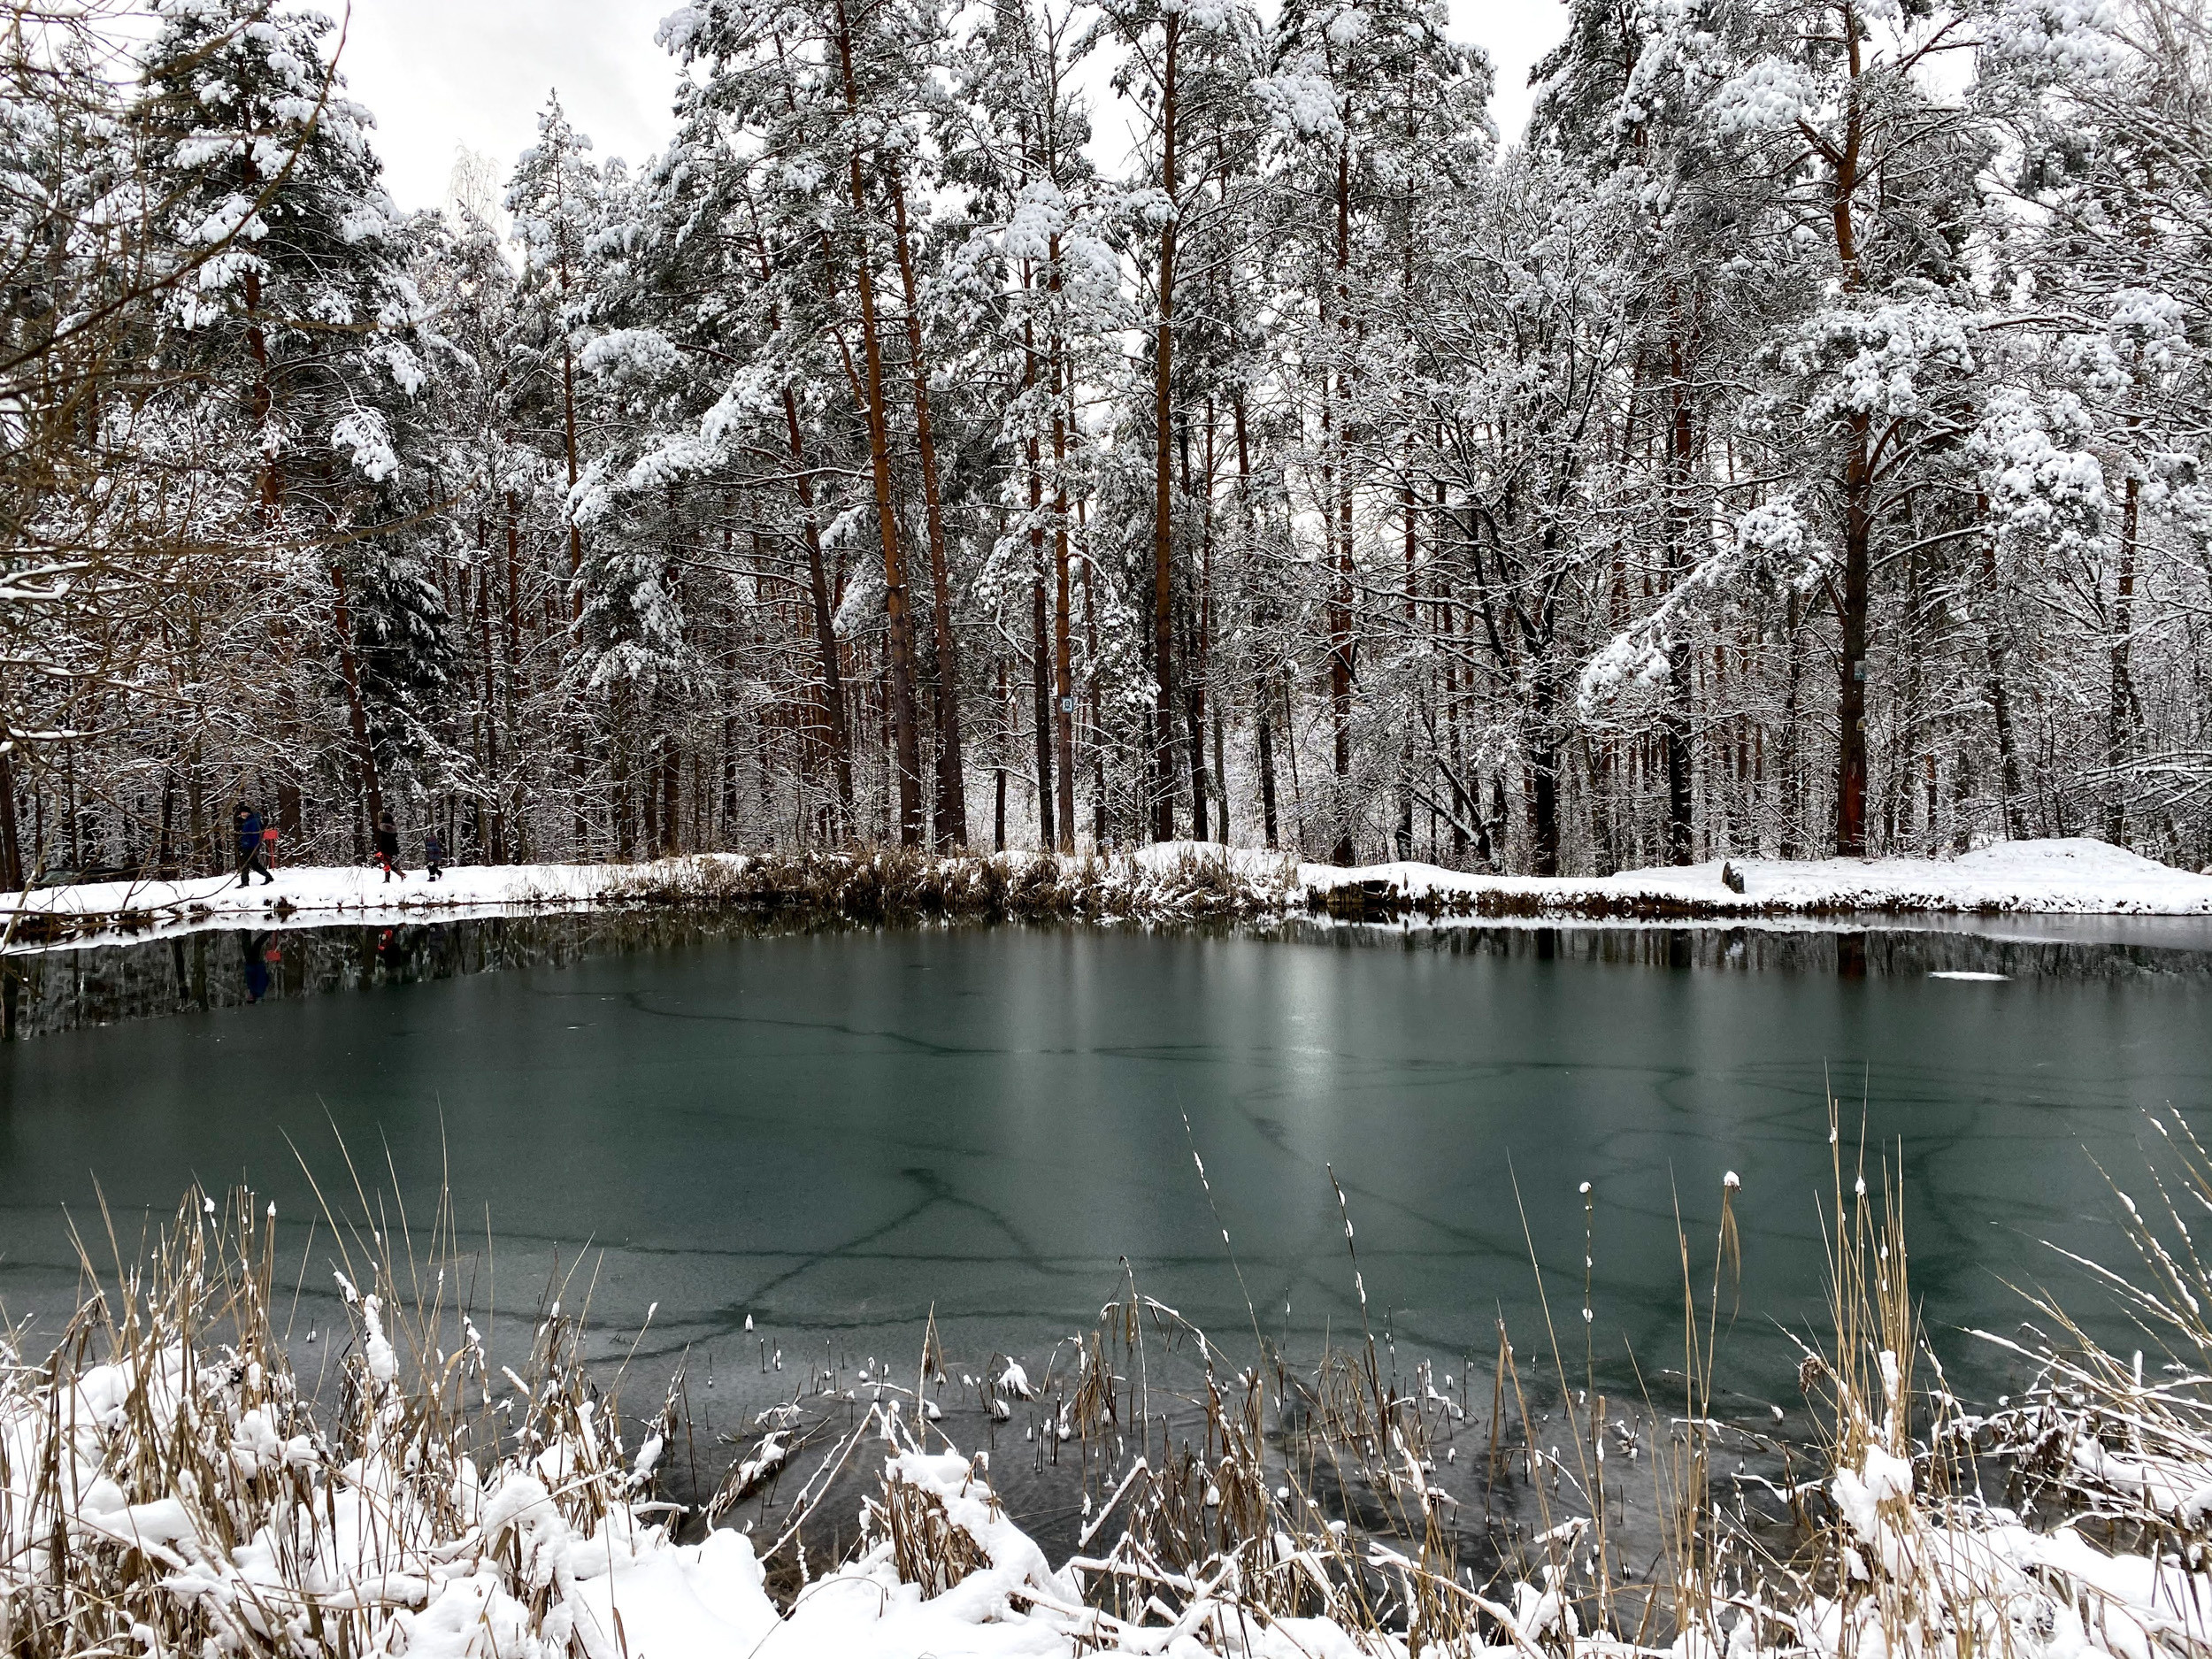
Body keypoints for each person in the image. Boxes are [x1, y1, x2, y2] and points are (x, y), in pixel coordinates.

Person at [234, 802, 274, 887]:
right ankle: (268, 876)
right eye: (242, 813)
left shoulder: (252, 822)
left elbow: (255, 835)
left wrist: (251, 845)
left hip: (250, 846)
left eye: (244, 813)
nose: (243, 814)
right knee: (254, 864)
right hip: (249, 845)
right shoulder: (250, 821)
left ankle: (245, 882)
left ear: (248, 813)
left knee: (245, 864)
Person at [374, 811, 406, 881]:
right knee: (387, 863)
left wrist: (379, 849)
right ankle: (393, 877)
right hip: (392, 848)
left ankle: (399, 875)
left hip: (385, 848)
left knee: (386, 863)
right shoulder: (393, 828)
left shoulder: (383, 828)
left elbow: (382, 840)